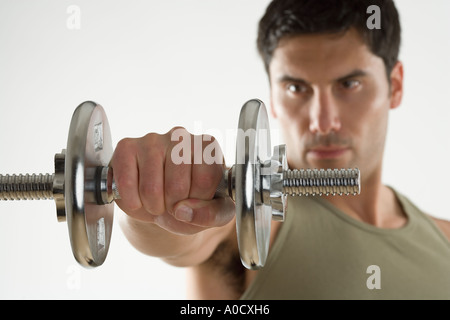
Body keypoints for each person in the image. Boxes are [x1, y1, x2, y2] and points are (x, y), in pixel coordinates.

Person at [111, 0, 450, 299]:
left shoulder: (444, 238)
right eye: (296, 87)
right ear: (273, 97)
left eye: (349, 84)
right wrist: (148, 193)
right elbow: (183, 238)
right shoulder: (247, 224)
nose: (322, 121)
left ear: (396, 86)